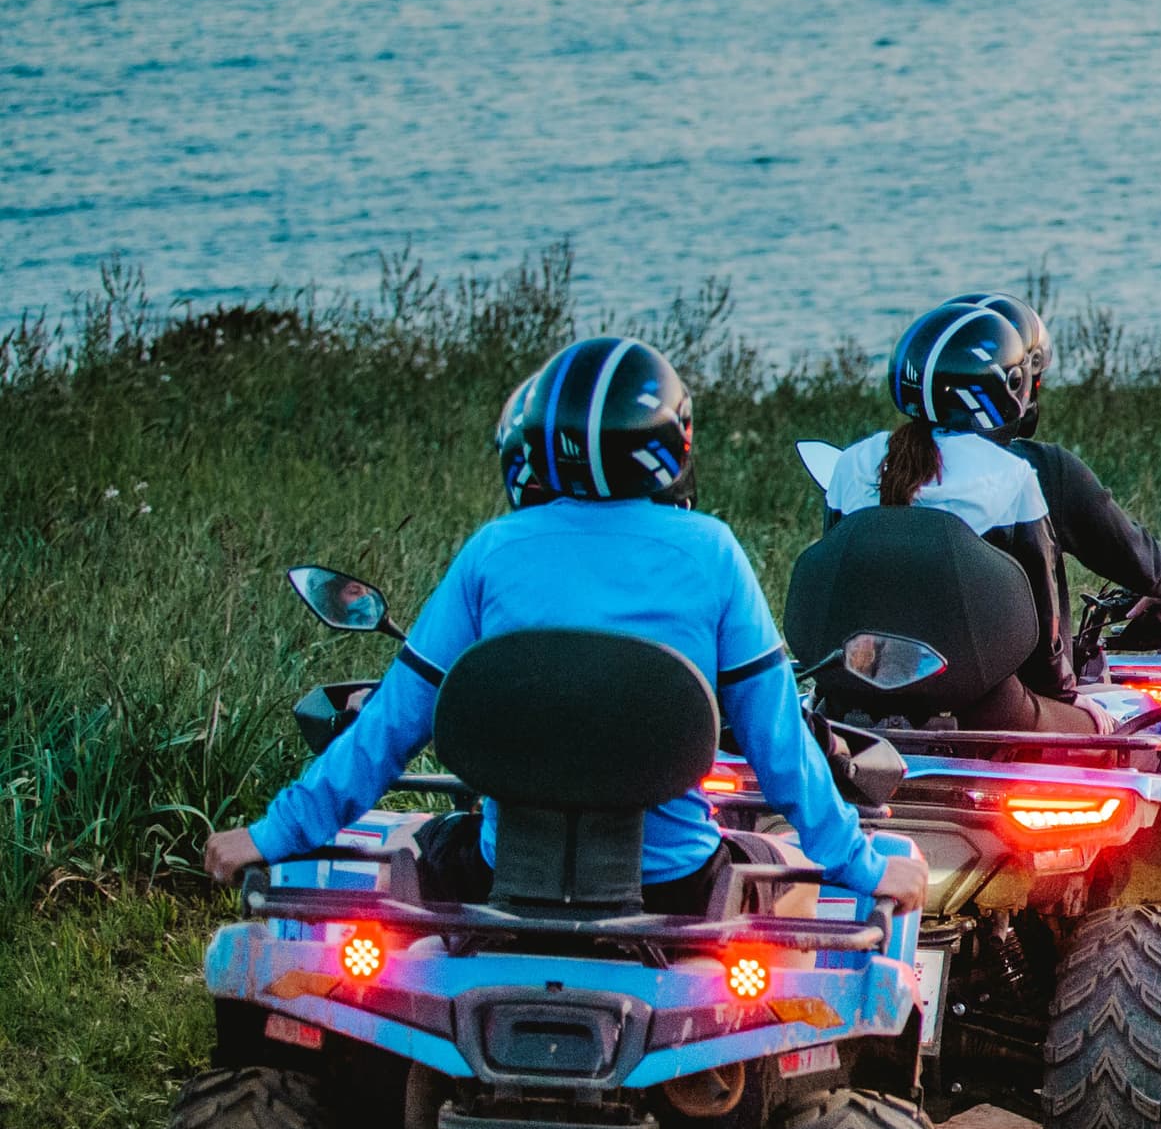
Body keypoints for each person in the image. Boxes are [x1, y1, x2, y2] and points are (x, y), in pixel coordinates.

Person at [202, 336, 912, 913]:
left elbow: (389, 727)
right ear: (672, 444)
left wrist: (275, 833)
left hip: (503, 873)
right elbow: (779, 747)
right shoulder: (712, 553)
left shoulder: (493, 551)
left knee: (424, 847)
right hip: (672, 883)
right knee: (772, 867)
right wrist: (861, 864)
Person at [822, 294, 1161, 731]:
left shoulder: (853, 463)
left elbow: (836, 586)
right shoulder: (1011, 474)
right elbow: (1044, 633)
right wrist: (1069, 702)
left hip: (854, 695)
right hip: (988, 706)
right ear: (1006, 387)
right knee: (1143, 731)